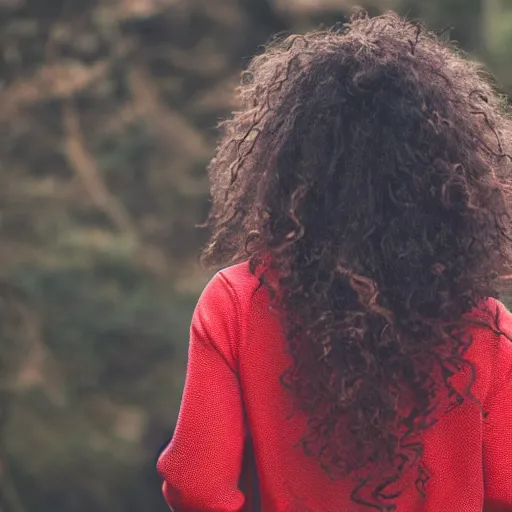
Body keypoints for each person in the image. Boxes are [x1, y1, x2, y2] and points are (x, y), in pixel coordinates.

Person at [157, 10, 512, 512]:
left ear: (287, 169)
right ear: (447, 186)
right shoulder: (486, 328)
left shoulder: (236, 304)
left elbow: (196, 484)